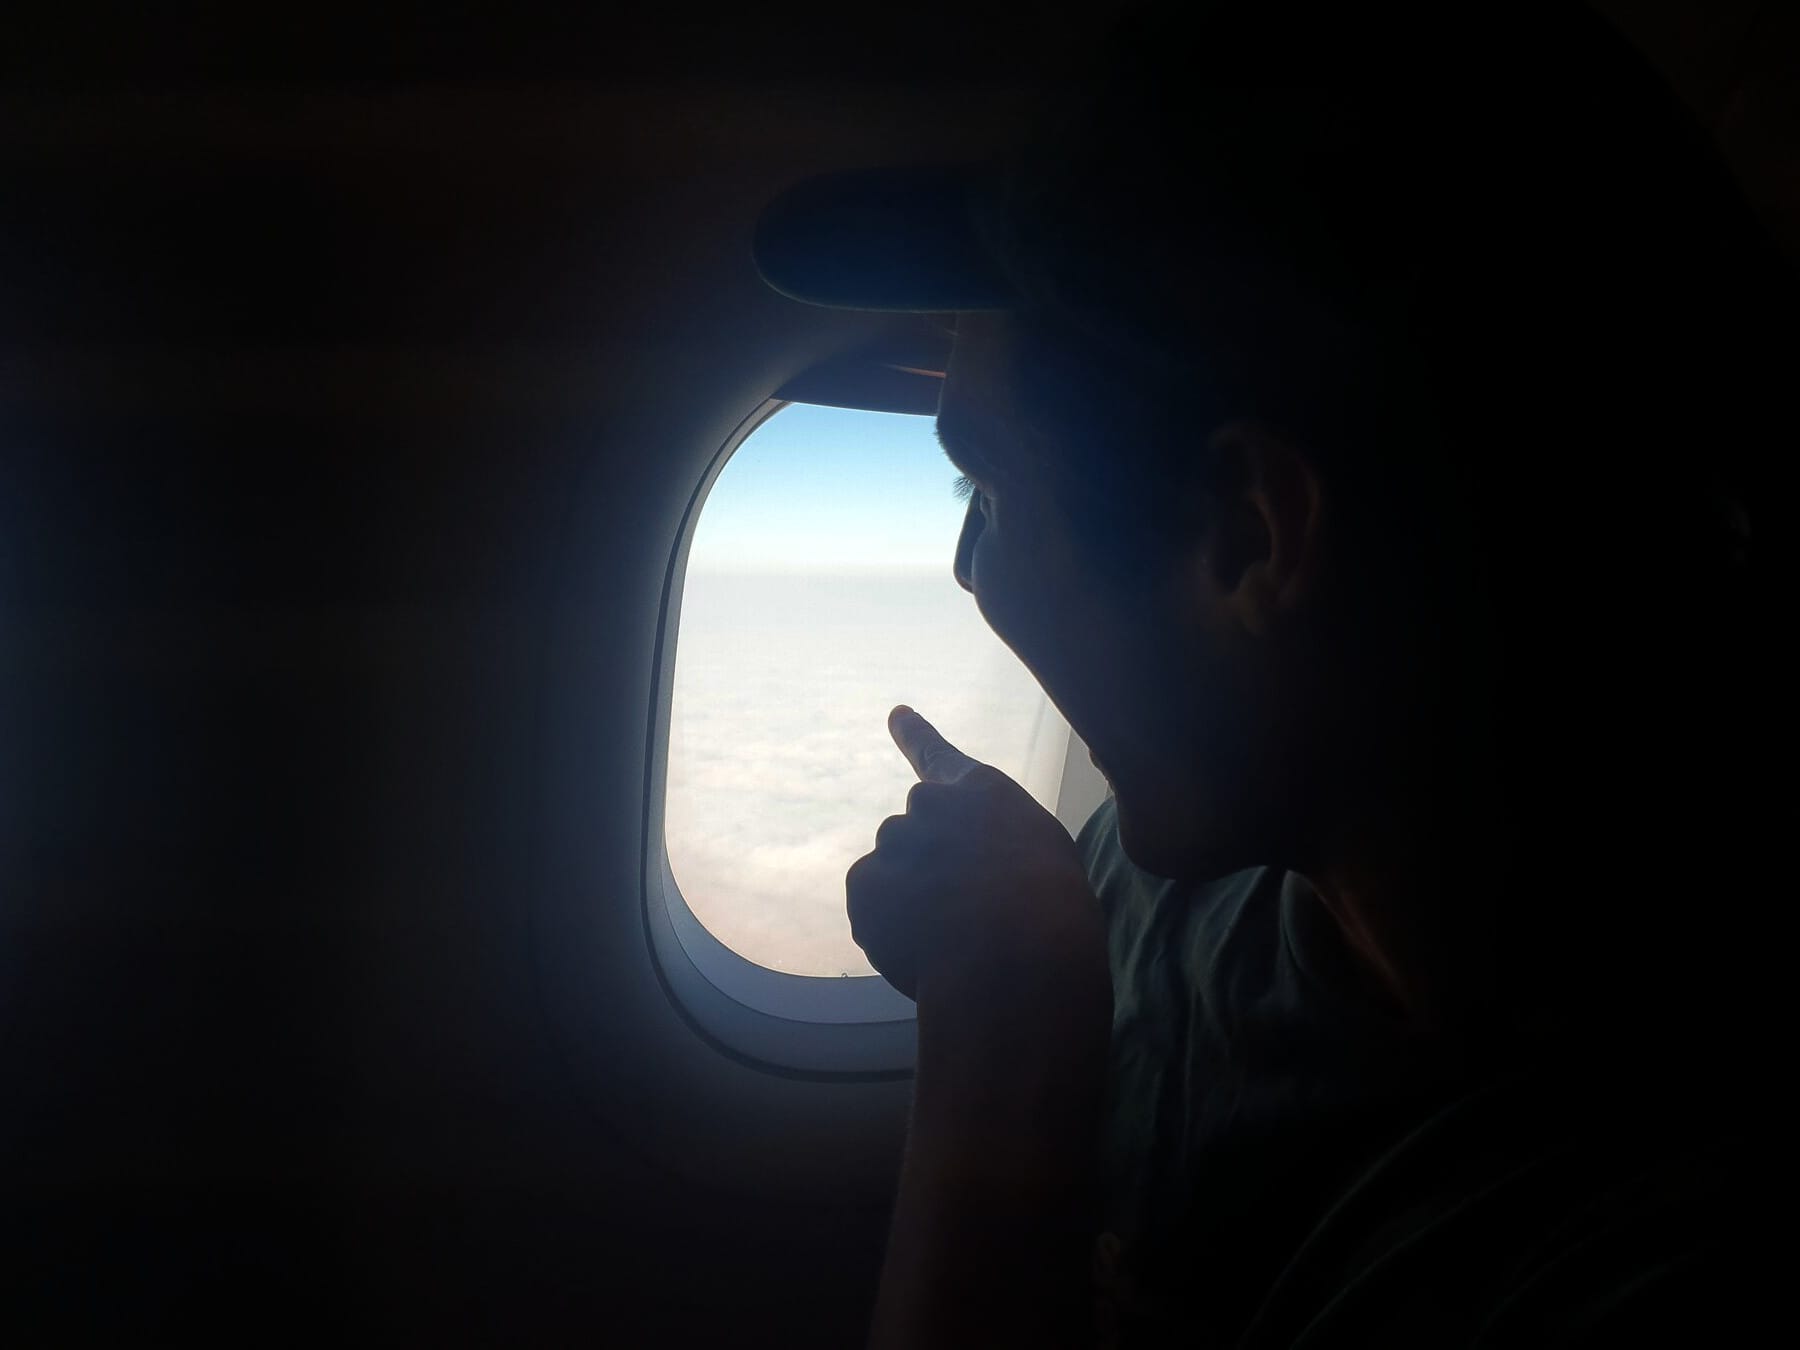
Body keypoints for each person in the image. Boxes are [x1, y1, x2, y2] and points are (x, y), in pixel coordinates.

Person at [753, 2, 1792, 1346]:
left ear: (1254, 534)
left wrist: (1004, 1033)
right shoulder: (1184, 871)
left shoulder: (1651, 1251)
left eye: (991, 492)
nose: (972, 574)